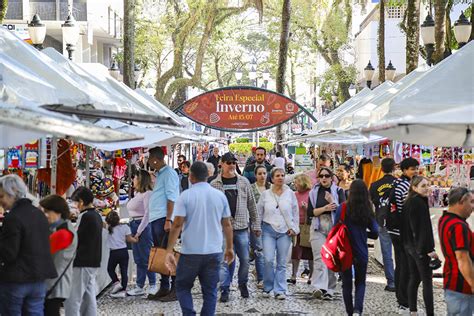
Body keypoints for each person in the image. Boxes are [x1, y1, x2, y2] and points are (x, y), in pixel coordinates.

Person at [165, 161, 235, 315]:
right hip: (213, 251)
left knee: (182, 286)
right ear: (208, 175)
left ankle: (189, 313)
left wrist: (169, 250)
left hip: (190, 252)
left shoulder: (186, 196)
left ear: (191, 176)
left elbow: (177, 225)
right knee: (210, 291)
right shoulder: (219, 196)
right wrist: (229, 247)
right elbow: (227, 225)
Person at [0, 175, 57, 315]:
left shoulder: (13, 217)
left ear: (12, 191)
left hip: (16, 279)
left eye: (2, 196)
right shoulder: (39, 214)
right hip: (38, 279)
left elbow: (9, 253)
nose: (0, 201)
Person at [210, 152, 261, 302]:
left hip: (241, 228)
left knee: (245, 259)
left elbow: (252, 206)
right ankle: (225, 288)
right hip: (223, 230)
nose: (232, 165)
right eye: (228, 162)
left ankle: (242, 283)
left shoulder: (244, 182)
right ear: (222, 164)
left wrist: (256, 224)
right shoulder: (214, 185)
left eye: (234, 162)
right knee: (224, 261)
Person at [336, 180, 379, 316]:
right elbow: (375, 232)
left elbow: (335, 229)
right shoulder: (367, 209)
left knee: (346, 284)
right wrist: (364, 234)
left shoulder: (342, 208)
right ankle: (357, 310)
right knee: (360, 282)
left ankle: (350, 312)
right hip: (361, 250)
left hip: (344, 250)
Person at [257, 168, 299, 299]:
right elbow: (259, 212)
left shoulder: (290, 194)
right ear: (272, 178)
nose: (280, 178)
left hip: (285, 231)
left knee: (281, 261)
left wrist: (294, 228)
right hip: (268, 229)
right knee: (268, 259)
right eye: (277, 176)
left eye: (282, 175)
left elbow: (295, 212)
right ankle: (268, 286)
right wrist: (256, 227)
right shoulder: (265, 194)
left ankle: (280, 289)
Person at [306, 167, 346, 300]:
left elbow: (342, 210)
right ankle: (318, 287)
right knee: (319, 258)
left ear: (331, 177)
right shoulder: (314, 192)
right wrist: (325, 208)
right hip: (318, 226)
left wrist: (331, 202)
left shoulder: (339, 191)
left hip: (333, 228)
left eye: (326, 176)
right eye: (321, 176)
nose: (323, 178)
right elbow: (311, 212)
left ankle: (330, 288)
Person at [147, 146, 180, 302]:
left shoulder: (169, 174)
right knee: (161, 254)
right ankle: (165, 286)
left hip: (163, 219)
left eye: (149, 158)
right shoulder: (160, 174)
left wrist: (168, 219)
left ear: (155, 159)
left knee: (169, 253)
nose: (147, 161)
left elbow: (171, 197)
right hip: (157, 218)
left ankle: (175, 288)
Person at [64, 187, 103, 316]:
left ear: (81, 202)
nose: (75, 206)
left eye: (75, 202)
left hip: (82, 260)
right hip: (93, 260)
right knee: (88, 298)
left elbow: (75, 238)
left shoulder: (85, 216)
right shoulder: (96, 215)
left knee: (73, 298)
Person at [402, 176, 437, 316]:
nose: (427, 187)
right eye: (423, 185)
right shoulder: (418, 203)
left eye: (428, 185)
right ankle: (430, 313)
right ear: (414, 188)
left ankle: (413, 311)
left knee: (414, 278)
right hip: (419, 248)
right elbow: (421, 229)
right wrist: (428, 250)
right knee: (427, 281)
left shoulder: (410, 201)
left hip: (410, 246)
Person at [388, 157, 419, 312]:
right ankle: (404, 300)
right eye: (412, 169)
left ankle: (402, 299)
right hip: (402, 231)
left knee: (401, 264)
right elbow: (404, 211)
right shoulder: (405, 186)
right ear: (405, 170)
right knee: (405, 265)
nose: (415, 171)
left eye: (416, 169)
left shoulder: (398, 183)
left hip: (395, 230)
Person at [40, 195, 77, 316]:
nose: (44, 215)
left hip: (54, 286)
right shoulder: (61, 228)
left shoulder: (63, 232)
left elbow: (41, 252)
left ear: (58, 212)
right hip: (55, 284)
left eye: (46, 211)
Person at [439, 187, 474, 316]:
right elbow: (462, 258)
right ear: (461, 201)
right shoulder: (458, 225)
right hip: (460, 285)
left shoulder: (445, 219)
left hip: (452, 280)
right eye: (471, 202)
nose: (473, 207)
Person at [126, 169, 157, 296]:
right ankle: (139, 284)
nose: (133, 180)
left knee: (146, 256)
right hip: (134, 224)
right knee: (138, 257)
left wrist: (139, 231)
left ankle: (153, 283)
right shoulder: (137, 194)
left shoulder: (147, 194)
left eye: (135, 178)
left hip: (142, 226)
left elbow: (147, 214)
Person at [369, 158, 396, 292]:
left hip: (382, 220)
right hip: (397, 222)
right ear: (394, 168)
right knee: (400, 252)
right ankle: (400, 279)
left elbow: (372, 203)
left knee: (387, 253)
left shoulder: (374, 185)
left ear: (382, 169)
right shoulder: (399, 184)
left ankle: (391, 281)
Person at [105, 211, 138, 298]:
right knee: (124, 271)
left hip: (113, 252)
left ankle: (116, 282)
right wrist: (136, 240)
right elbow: (129, 239)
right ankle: (123, 290)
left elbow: (101, 223)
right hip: (123, 251)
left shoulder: (108, 228)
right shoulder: (125, 227)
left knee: (110, 269)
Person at [288, 174, 313, 285]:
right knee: (296, 252)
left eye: (297, 182)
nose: (295, 184)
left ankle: (311, 276)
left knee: (310, 252)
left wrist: (307, 209)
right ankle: (294, 275)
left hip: (308, 226)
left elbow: (314, 210)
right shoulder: (294, 195)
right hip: (297, 226)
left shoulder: (311, 194)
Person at [250, 165, 271, 289]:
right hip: (256, 223)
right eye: (260, 173)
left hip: (270, 223)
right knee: (259, 251)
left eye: (264, 173)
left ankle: (262, 273)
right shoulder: (252, 188)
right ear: (255, 175)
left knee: (268, 252)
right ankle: (261, 278)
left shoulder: (272, 188)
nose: (262, 176)